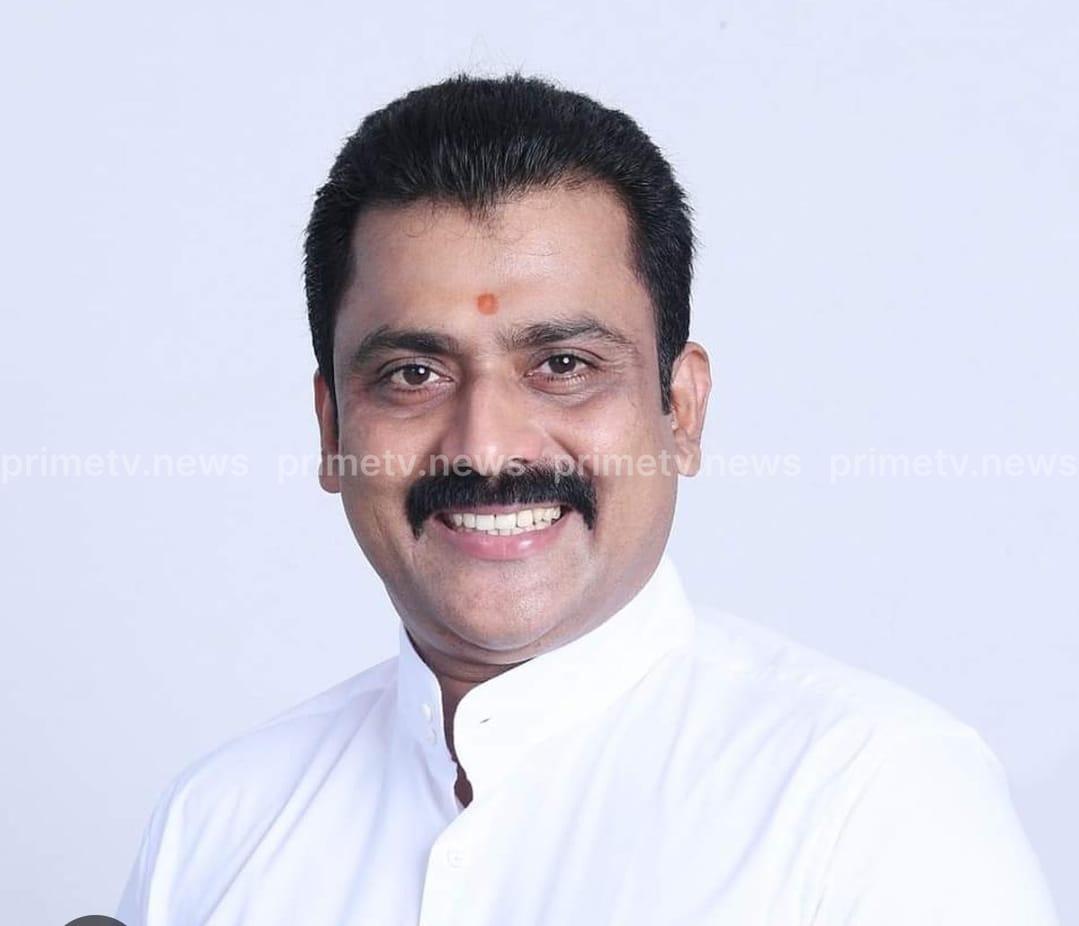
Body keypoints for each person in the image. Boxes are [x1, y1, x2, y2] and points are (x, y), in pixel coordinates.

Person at [116, 72, 1058, 925]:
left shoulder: (871, 800)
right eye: (413, 374)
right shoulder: (219, 825)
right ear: (331, 430)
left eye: (563, 365)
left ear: (681, 409)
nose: (486, 448)